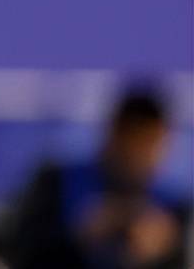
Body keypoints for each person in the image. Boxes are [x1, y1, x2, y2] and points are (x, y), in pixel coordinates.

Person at [12, 89, 189, 269]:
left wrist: (165, 250)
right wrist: (78, 236)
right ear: (112, 135)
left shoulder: (174, 209)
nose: (139, 155)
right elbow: (20, 251)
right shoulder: (57, 184)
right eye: (132, 141)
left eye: (150, 144)